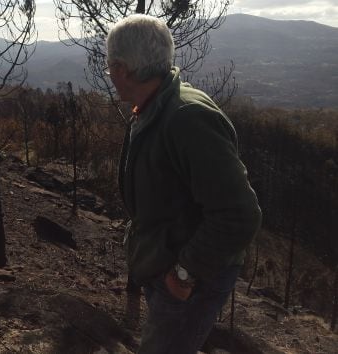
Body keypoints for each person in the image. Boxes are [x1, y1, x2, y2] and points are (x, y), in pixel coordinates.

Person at [107, 14, 262, 353]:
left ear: (123, 69)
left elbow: (240, 213)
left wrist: (183, 274)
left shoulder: (186, 118)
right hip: (171, 264)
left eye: (110, 67)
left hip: (190, 277)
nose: (110, 75)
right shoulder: (154, 107)